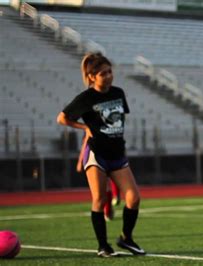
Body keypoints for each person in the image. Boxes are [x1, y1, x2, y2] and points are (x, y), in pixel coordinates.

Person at [57, 53, 146, 257]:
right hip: (97, 153)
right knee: (99, 198)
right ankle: (103, 246)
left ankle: (126, 238)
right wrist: (83, 127)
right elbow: (62, 118)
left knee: (133, 198)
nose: (108, 76)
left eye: (109, 72)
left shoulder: (118, 93)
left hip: (117, 153)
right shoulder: (86, 98)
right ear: (91, 77)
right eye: (103, 73)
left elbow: (118, 122)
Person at [76, 134, 121, 221]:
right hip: (109, 151)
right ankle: (113, 201)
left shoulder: (92, 125)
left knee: (101, 188)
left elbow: (86, 141)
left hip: (97, 155)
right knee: (110, 177)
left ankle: (107, 211)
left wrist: (80, 160)